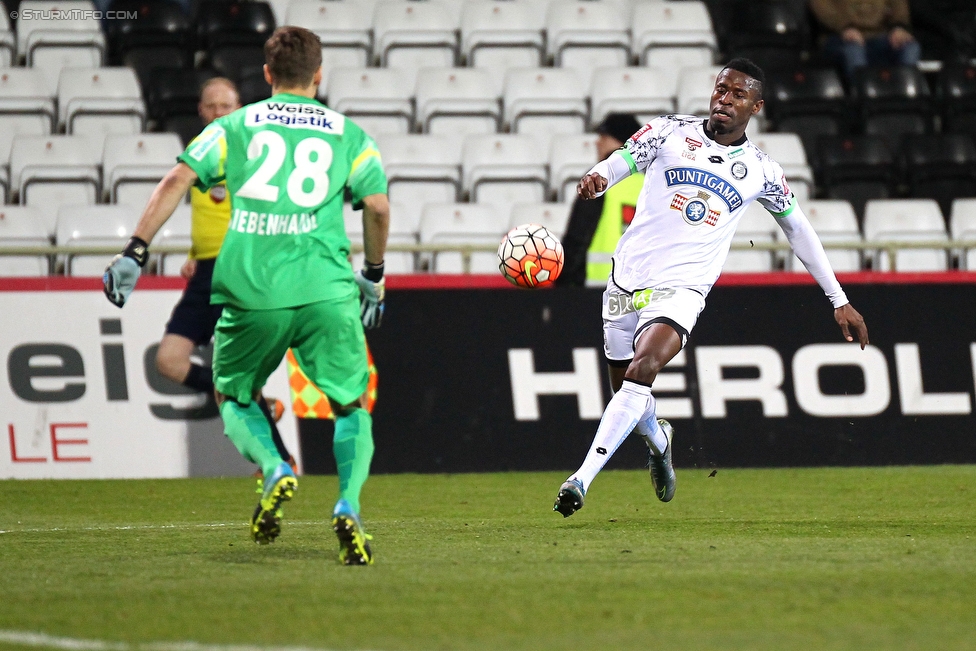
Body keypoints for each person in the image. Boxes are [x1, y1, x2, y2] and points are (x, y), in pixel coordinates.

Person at [104, 26, 390, 565]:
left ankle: (274, 467)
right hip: (327, 289)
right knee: (351, 405)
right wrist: (373, 274)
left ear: (265, 75)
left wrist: (135, 252)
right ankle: (348, 504)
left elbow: (175, 182)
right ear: (319, 73)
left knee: (232, 394)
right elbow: (376, 208)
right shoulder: (350, 134)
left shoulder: (235, 126)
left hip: (251, 288)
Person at [553, 58, 870, 518]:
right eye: (721, 89)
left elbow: (798, 230)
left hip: (683, 288)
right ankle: (659, 441)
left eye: (738, 94)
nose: (725, 99)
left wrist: (838, 299)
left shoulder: (761, 170)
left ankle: (579, 480)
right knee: (626, 391)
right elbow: (624, 159)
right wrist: (601, 175)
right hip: (626, 280)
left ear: (755, 107)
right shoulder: (668, 132)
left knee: (644, 369)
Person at [155, 77, 295, 473]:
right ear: (201, 111)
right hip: (204, 273)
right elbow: (211, 217)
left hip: (239, 270)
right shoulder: (200, 152)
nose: (218, 112)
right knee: (168, 360)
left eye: (225, 106)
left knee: (245, 376)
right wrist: (193, 253)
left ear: (238, 109)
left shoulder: (249, 153)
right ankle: (249, 410)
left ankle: (281, 460)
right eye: (211, 106)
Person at [556, 113, 644, 287]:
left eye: (604, 136)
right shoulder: (649, 182)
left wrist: (564, 284)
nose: (597, 142)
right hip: (641, 293)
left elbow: (578, 236)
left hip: (597, 293)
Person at [810, 0, 921, 82]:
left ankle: (904, 102)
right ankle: (862, 102)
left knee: (910, 47)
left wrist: (899, 27)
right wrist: (845, 27)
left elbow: (899, 7)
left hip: (879, 35)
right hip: (838, 35)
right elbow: (821, 6)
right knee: (853, 50)